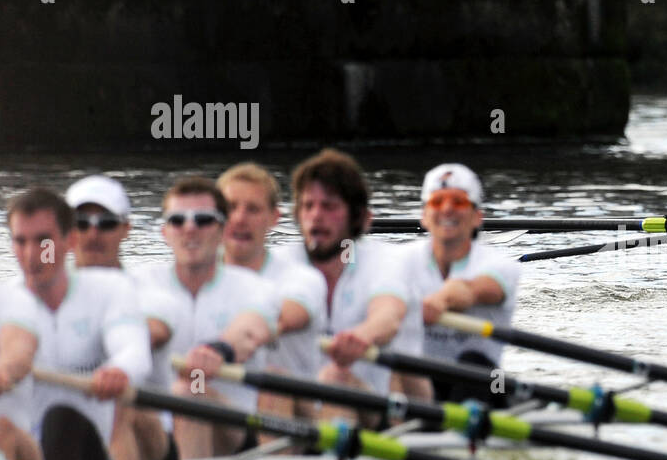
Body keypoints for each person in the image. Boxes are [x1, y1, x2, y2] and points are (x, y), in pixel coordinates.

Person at [7, 188, 151, 460]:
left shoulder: (109, 289)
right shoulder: (4, 302)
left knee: (61, 418)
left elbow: (135, 352)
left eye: (43, 241)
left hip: (94, 458)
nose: (31, 255)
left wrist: (119, 370)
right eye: (21, 242)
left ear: (70, 241)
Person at [132, 178, 278, 459]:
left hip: (232, 430)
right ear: (165, 232)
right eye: (178, 220)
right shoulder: (138, 283)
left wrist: (218, 350)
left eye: (203, 219)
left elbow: (250, 331)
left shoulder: (256, 287)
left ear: (222, 230)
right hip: (158, 430)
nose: (190, 228)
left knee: (190, 392)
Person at [276, 148, 426, 411]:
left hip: (385, 410)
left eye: (329, 206)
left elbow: (388, 316)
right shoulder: (280, 264)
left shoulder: (388, 261)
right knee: (273, 382)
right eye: (308, 205)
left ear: (357, 216)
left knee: (335, 376)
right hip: (309, 412)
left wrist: (362, 336)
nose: (316, 215)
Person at [65, 174, 176, 460]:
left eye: (106, 223)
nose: (93, 234)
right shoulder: (37, 298)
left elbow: (150, 333)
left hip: (150, 441)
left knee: (117, 400)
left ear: (126, 229)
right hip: (67, 432)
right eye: (81, 223)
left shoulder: (152, 296)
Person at [401, 164, 521, 404]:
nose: (447, 209)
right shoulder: (399, 262)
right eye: (437, 202)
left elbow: (471, 290)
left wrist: (440, 301)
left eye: (458, 202)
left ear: (477, 217)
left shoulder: (500, 265)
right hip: (419, 383)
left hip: (479, 386)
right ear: (424, 215)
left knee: (472, 361)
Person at [217, 163, 328, 422]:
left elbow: (283, 318)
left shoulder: (301, 277)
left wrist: (222, 348)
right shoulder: (193, 279)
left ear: (273, 218)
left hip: (298, 416)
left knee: (271, 381)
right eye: (231, 208)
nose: (239, 218)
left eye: (253, 209)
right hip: (225, 411)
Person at [0, 278, 42, 460]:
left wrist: (6, 369)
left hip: (25, 451)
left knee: (2, 428)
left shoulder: (15, 301)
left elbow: (20, 350)